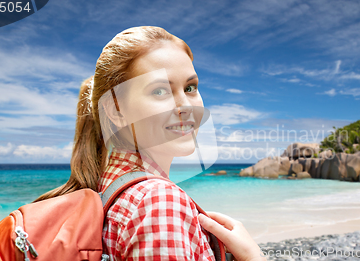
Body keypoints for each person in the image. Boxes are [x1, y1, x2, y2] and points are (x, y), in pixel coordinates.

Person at [35, 26, 266, 261]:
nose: (185, 106)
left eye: (190, 87)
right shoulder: (160, 202)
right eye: (159, 91)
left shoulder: (102, 188)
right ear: (115, 110)